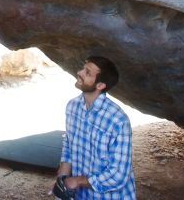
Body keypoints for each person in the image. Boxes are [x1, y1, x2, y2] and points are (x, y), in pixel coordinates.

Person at [51, 56, 136, 199]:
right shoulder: (72, 107)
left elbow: (119, 174)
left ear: (100, 85)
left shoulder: (118, 120)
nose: (79, 72)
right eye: (83, 68)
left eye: (87, 73)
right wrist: (63, 175)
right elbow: (69, 143)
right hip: (80, 195)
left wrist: (77, 181)